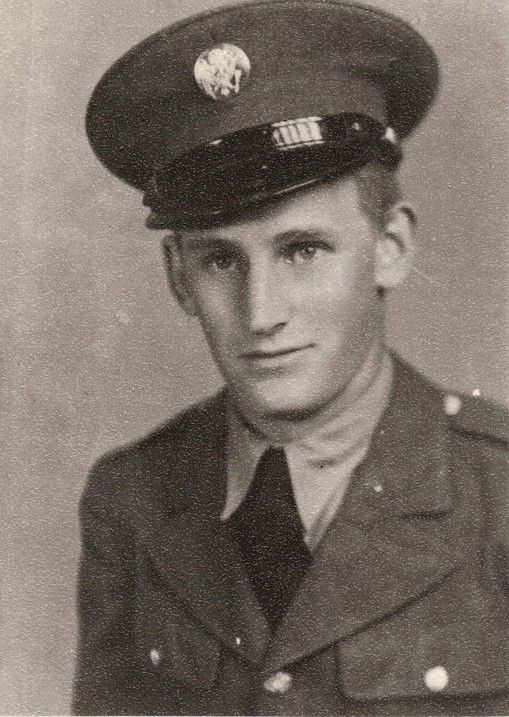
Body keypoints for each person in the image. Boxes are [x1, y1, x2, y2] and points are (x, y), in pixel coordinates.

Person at [73, 1, 509, 714]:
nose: (261, 313)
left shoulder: (498, 491)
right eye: (220, 260)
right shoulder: (133, 498)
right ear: (178, 278)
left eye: (303, 250)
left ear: (391, 249)